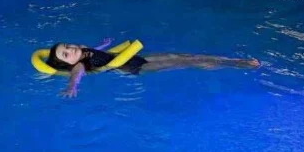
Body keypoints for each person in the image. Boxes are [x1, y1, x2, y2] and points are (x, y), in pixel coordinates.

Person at [43, 38, 260, 98]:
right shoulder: (79, 65)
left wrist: (104, 44)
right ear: (67, 63)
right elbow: (77, 75)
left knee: (180, 56)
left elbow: (95, 50)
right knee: (182, 63)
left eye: (67, 46)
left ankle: (228, 61)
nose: (70, 49)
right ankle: (235, 65)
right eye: (66, 53)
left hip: (137, 57)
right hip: (135, 68)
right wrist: (72, 87)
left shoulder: (83, 50)